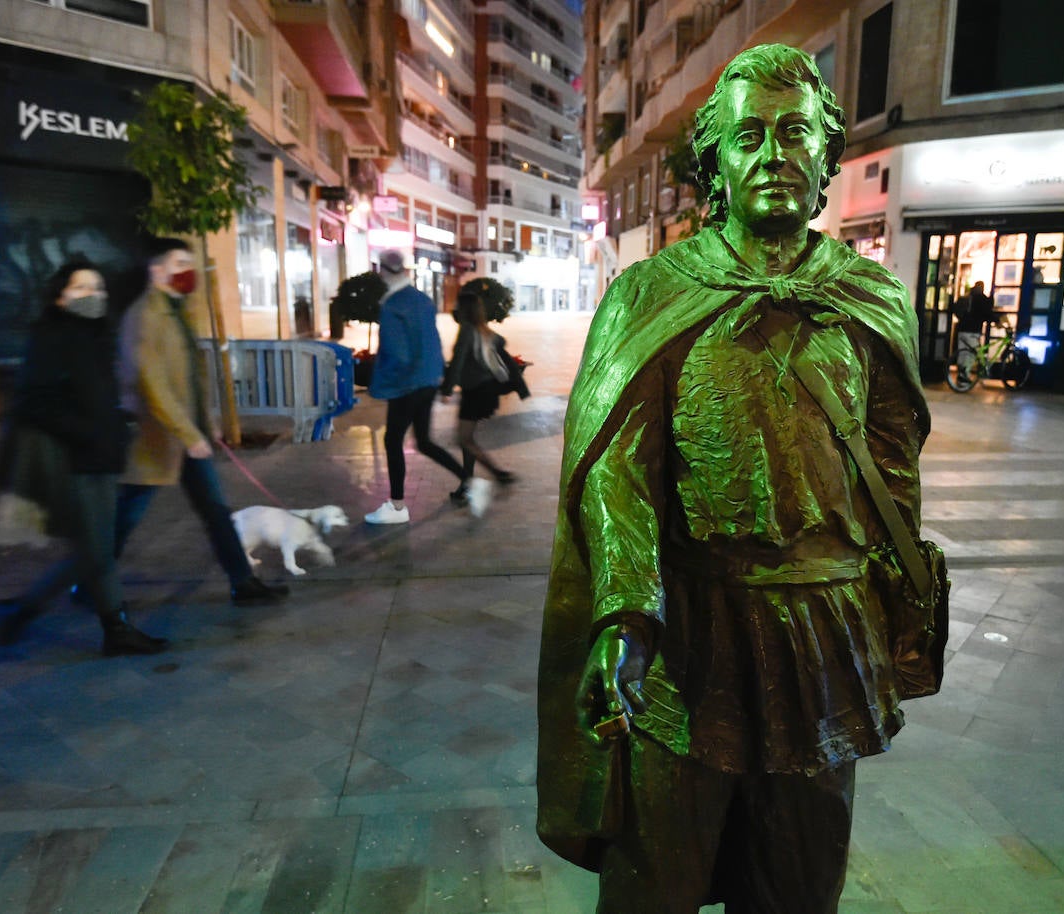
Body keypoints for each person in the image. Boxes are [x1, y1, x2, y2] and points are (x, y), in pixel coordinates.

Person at [537, 44, 930, 913]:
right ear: (714, 160)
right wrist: (625, 615)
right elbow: (618, 475)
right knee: (654, 881)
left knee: (799, 882)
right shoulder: (650, 294)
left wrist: (895, 607)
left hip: (825, 634)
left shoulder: (871, 296)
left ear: (827, 155)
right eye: (748, 135)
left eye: (795, 132)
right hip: (688, 634)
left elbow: (894, 469)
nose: (773, 154)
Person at [0, 259, 168, 656]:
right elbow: (36, 403)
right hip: (77, 462)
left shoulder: (95, 334)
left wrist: (119, 423)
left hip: (101, 457)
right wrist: (88, 432)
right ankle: (32, 612)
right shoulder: (52, 336)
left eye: (98, 289)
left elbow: (95, 397)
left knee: (96, 552)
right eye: (82, 289)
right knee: (96, 552)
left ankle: (100, 626)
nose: (93, 296)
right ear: (60, 296)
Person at [114, 237, 287, 606]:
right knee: (124, 518)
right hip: (158, 437)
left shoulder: (178, 311)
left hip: (187, 435)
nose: (187, 271)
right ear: (156, 270)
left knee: (216, 511)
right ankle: (88, 579)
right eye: (178, 262)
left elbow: (191, 378)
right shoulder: (144, 316)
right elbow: (152, 383)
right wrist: (189, 432)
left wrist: (206, 423)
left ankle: (243, 582)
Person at [363, 249, 467, 524]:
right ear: (406, 272)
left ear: (383, 272)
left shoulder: (392, 305)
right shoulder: (423, 300)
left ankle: (397, 507)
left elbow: (397, 354)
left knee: (393, 441)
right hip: (428, 380)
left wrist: (382, 385)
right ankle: (468, 479)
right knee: (424, 441)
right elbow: (433, 342)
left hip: (406, 384)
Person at [440, 278, 529, 517]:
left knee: (464, 439)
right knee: (467, 438)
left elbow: (458, 361)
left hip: (476, 393)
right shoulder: (484, 330)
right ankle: (466, 484)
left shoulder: (468, 330)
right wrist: (520, 387)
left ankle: (496, 473)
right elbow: (505, 357)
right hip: (485, 391)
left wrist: (447, 388)